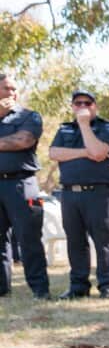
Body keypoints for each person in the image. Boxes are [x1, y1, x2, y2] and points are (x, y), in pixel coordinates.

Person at [49, 90, 109, 299]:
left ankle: (106, 285)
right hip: (70, 193)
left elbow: (98, 152)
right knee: (75, 241)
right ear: (72, 106)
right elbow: (53, 153)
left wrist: (85, 126)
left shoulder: (106, 128)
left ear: (95, 106)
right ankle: (78, 286)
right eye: (77, 103)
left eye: (87, 103)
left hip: (98, 192)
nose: (82, 106)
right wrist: (83, 152)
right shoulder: (65, 129)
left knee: (103, 240)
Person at [0, 73, 50, 300]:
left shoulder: (30, 116)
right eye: (5, 89)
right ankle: (2, 289)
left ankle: (40, 290)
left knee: (29, 237)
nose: (11, 93)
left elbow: (23, 141)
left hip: (21, 183)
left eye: (13, 89)